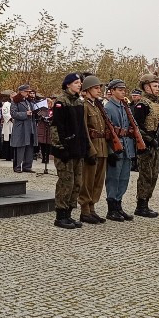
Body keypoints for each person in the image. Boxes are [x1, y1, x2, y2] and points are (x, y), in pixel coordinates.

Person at [49, 73, 88, 229]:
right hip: (65, 150)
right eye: (76, 83)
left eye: (80, 83)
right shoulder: (61, 102)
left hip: (77, 149)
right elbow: (56, 127)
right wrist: (60, 147)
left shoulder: (79, 102)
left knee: (77, 183)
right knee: (66, 182)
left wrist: (85, 146)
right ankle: (61, 214)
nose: (79, 85)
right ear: (68, 85)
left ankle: (69, 213)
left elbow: (81, 127)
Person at [131, 72, 159, 217]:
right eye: (155, 86)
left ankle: (146, 202)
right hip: (145, 145)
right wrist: (149, 140)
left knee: (154, 175)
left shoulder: (156, 104)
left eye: (158, 86)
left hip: (155, 144)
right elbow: (137, 127)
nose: (157, 88)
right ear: (147, 87)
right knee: (145, 175)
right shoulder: (142, 105)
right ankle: (141, 205)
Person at [103, 79, 136, 221]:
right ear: (112, 91)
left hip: (127, 147)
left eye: (124, 89)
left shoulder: (124, 106)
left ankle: (118, 205)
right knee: (113, 179)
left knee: (124, 179)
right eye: (120, 90)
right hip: (116, 148)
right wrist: (110, 152)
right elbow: (107, 132)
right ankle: (111, 209)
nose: (123, 92)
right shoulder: (109, 108)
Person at [78, 76, 109, 224]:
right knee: (88, 180)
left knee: (98, 180)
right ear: (88, 89)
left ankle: (92, 208)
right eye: (96, 88)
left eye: (99, 88)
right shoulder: (84, 106)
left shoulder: (98, 106)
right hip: (92, 148)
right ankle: (85, 209)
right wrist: (89, 149)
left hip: (102, 147)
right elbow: (84, 129)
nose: (99, 90)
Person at [10, 85, 38, 172]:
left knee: (29, 146)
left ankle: (27, 166)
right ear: (21, 92)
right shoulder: (15, 101)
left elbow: (33, 111)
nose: (28, 93)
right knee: (20, 147)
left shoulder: (29, 101)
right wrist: (25, 114)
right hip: (21, 127)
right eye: (27, 92)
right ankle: (17, 166)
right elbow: (13, 114)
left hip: (30, 127)